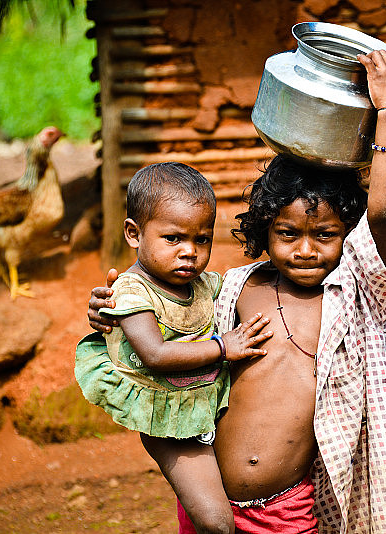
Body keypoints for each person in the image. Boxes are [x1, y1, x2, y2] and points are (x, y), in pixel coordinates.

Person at [88, 49, 386, 533]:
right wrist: (111, 308)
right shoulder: (235, 289)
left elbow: (383, 212)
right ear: (264, 230)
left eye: (325, 235)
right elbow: (161, 313)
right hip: (212, 502)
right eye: (287, 234)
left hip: (288, 510)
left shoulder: (353, 296)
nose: (305, 250)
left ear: (349, 234)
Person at [75, 162, 273, 534]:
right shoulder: (133, 291)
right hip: (168, 419)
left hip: (204, 405)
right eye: (173, 239)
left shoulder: (201, 284)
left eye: (202, 239)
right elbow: (155, 355)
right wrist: (223, 347)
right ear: (134, 234)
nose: (189, 252)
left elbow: (242, 285)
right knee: (217, 523)